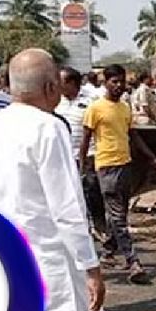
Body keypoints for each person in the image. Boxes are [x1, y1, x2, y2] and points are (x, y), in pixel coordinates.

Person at [0, 49, 110, 311]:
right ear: (49, 87)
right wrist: (90, 266)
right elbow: (67, 206)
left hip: (4, 255)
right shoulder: (48, 127)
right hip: (48, 260)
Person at [80, 64, 156, 284]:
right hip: (106, 166)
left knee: (120, 214)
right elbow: (85, 140)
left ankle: (109, 249)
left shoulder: (124, 108)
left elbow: (133, 135)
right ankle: (133, 261)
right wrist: (83, 167)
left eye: (122, 82)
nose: (119, 86)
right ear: (105, 83)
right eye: (114, 82)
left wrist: (152, 158)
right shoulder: (95, 108)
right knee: (118, 216)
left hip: (125, 165)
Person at [55, 67, 107, 241]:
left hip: (89, 156)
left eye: (61, 82)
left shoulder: (92, 100)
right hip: (64, 157)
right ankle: (79, 231)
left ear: (71, 83)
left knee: (92, 193)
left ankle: (101, 229)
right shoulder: (56, 102)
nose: (57, 85)